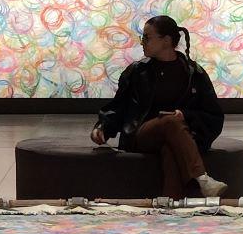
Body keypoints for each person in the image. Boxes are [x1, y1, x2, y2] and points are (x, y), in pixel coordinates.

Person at [91, 13, 227, 198]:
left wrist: (185, 115)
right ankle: (202, 179)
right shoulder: (138, 72)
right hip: (140, 133)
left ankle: (169, 206)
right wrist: (103, 127)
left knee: (170, 149)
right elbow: (119, 105)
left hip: (182, 135)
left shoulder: (194, 73)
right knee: (170, 121)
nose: (142, 42)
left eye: (147, 37)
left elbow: (213, 114)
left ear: (166, 41)